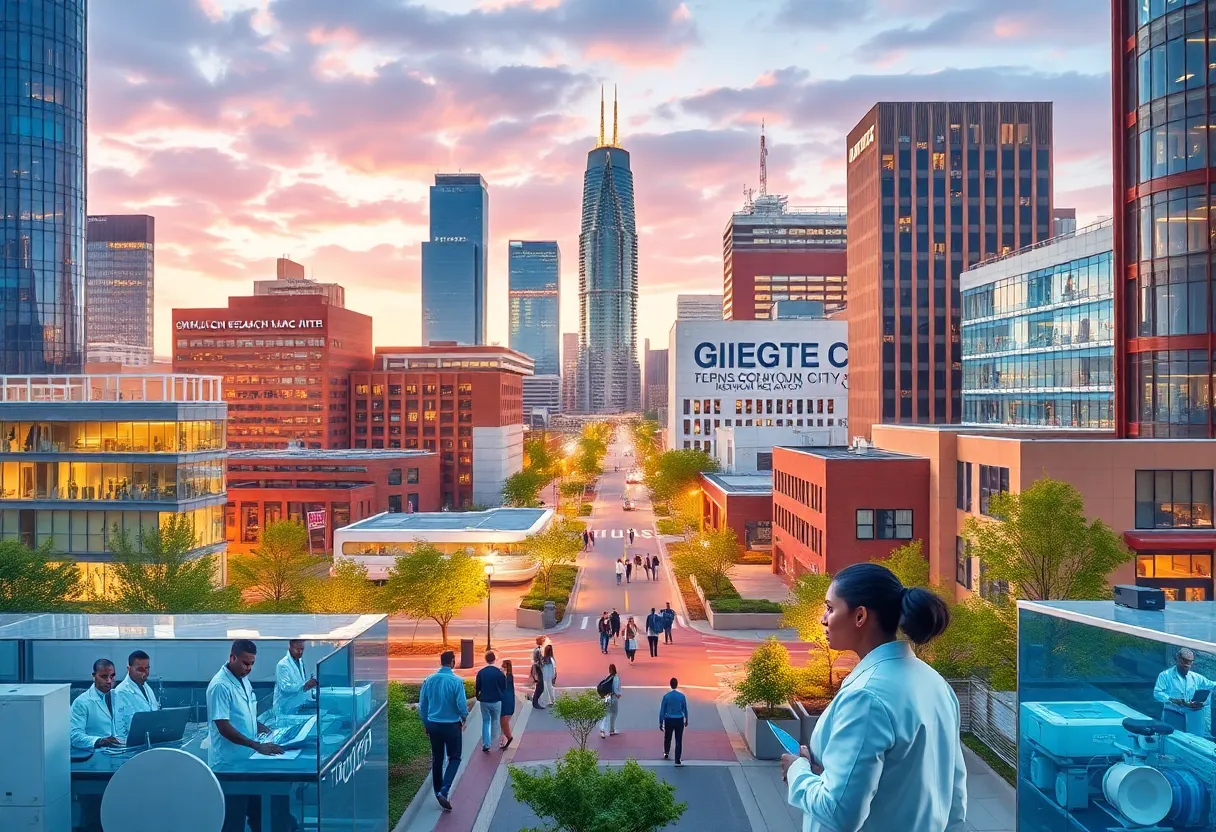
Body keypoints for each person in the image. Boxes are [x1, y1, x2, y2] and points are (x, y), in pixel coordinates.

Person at [780, 562, 964, 832]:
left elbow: (839, 813)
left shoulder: (866, 697)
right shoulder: (935, 684)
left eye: (830, 608)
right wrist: (827, 775)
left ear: (859, 616)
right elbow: (954, 796)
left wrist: (798, 771)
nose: (823, 618)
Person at [206, 640, 284, 832]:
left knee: (258, 815)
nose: (249, 668)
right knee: (233, 821)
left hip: (247, 763)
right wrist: (256, 746)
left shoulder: (243, 680)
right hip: (228, 767)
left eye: (252, 664)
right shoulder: (220, 686)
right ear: (232, 657)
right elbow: (223, 726)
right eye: (245, 663)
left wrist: (263, 728)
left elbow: (244, 716)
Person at [418, 651, 469, 812]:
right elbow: (461, 705)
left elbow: (422, 705)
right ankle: (444, 790)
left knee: (437, 758)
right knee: (455, 758)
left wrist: (426, 722)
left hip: (433, 724)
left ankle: (437, 791)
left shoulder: (429, 680)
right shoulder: (456, 681)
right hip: (451, 725)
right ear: (452, 662)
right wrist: (464, 717)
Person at [1154, 647, 1215, 734]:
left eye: (1190, 662)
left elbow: (1212, 685)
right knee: (1172, 737)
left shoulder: (1195, 677)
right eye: (1184, 661)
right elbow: (1157, 693)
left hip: (1191, 715)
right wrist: (1170, 699)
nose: (1187, 664)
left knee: (1192, 740)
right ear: (1177, 659)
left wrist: (1202, 703)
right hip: (1172, 712)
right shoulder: (1165, 675)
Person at [72, 658, 121, 750]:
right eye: (104, 677)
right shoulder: (81, 702)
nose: (109, 681)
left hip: (122, 751)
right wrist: (99, 741)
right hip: (96, 755)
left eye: (112, 676)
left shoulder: (119, 697)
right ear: (94, 676)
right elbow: (75, 737)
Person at [114, 649, 160, 743]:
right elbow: (121, 729)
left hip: (150, 742)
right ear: (129, 669)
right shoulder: (121, 692)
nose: (145, 672)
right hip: (132, 747)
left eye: (147, 668)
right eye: (140, 669)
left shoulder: (146, 688)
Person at [273, 639, 318, 718]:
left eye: (302, 649)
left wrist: (310, 685)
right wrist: (304, 685)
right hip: (285, 708)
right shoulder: (282, 665)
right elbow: (285, 688)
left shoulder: (299, 661)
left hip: (297, 704)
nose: (300, 652)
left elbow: (300, 683)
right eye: (297, 649)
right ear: (290, 647)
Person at [474, 651, 507, 753]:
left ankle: (486, 743)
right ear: (494, 659)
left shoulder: (481, 672)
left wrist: (478, 696)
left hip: (484, 700)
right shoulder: (499, 673)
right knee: (495, 721)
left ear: (486, 660)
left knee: (485, 721)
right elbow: (503, 687)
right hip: (496, 700)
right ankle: (493, 741)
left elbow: (478, 686)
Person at [659, 677, 689, 766]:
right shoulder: (682, 696)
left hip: (669, 719)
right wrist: (686, 718)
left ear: (670, 684)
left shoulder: (666, 696)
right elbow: (685, 708)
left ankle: (666, 752)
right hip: (679, 719)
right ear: (677, 684)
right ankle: (677, 758)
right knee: (678, 739)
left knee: (667, 737)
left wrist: (661, 721)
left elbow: (662, 710)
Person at [599, 663, 622, 738]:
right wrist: (618, 694)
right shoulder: (616, 678)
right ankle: (611, 729)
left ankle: (602, 730)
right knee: (614, 713)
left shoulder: (607, 677)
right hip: (613, 698)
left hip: (607, 697)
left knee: (605, 714)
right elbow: (615, 688)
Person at [499, 659, 517, 750]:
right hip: (506, 698)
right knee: (502, 720)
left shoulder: (508, 676)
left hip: (507, 699)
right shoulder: (508, 676)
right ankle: (505, 738)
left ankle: (508, 737)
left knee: (504, 720)